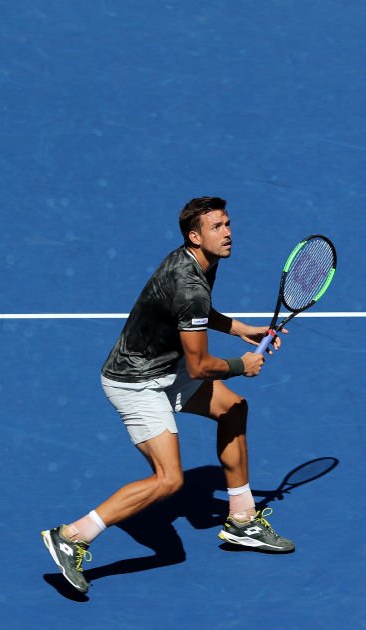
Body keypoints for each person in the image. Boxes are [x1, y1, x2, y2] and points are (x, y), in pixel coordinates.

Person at [42, 197, 294, 595]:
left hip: (163, 365)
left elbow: (196, 312)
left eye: (228, 224)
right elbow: (198, 366)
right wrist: (240, 366)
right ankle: (73, 535)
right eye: (216, 227)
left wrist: (240, 328)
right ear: (195, 236)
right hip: (135, 382)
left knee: (232, 408)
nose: (227, 233)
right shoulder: (189, 283)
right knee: (169, 480)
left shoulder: (197, 263)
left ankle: (242, 520)